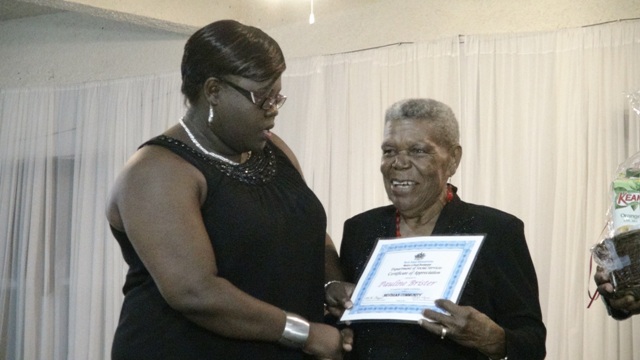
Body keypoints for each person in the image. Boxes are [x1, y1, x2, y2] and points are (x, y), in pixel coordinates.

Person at [106, 19, 351, 359]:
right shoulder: (157, 171)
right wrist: (305, 334)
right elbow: (195, 292)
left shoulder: (273, 149)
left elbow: (310, 230)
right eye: (262, 99)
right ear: (213, 91)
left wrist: (330, 283)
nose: (273, 112)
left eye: (277, 97)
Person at [329, 98, 546, 359]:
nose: (398, 163)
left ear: (453, 159)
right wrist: (338, 323)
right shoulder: (360, 230)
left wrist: (491, 338)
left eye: (418, 150)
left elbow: (532, 344)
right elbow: (345, 323)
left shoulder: (497, 231)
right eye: (389, 151)